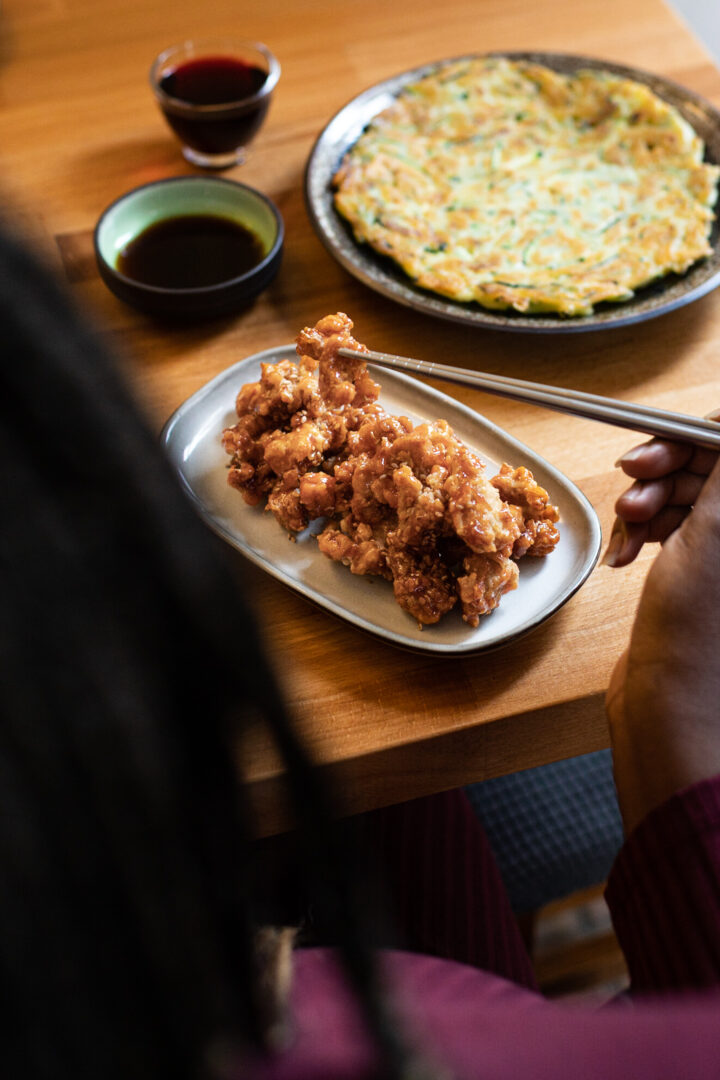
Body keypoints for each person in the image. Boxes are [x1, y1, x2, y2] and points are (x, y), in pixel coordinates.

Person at [2, 216, 720, 1080]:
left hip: (372, 992)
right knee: (390, 783)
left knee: (378, 782)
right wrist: (667, 697)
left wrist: (664, 690)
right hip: (465, 989)